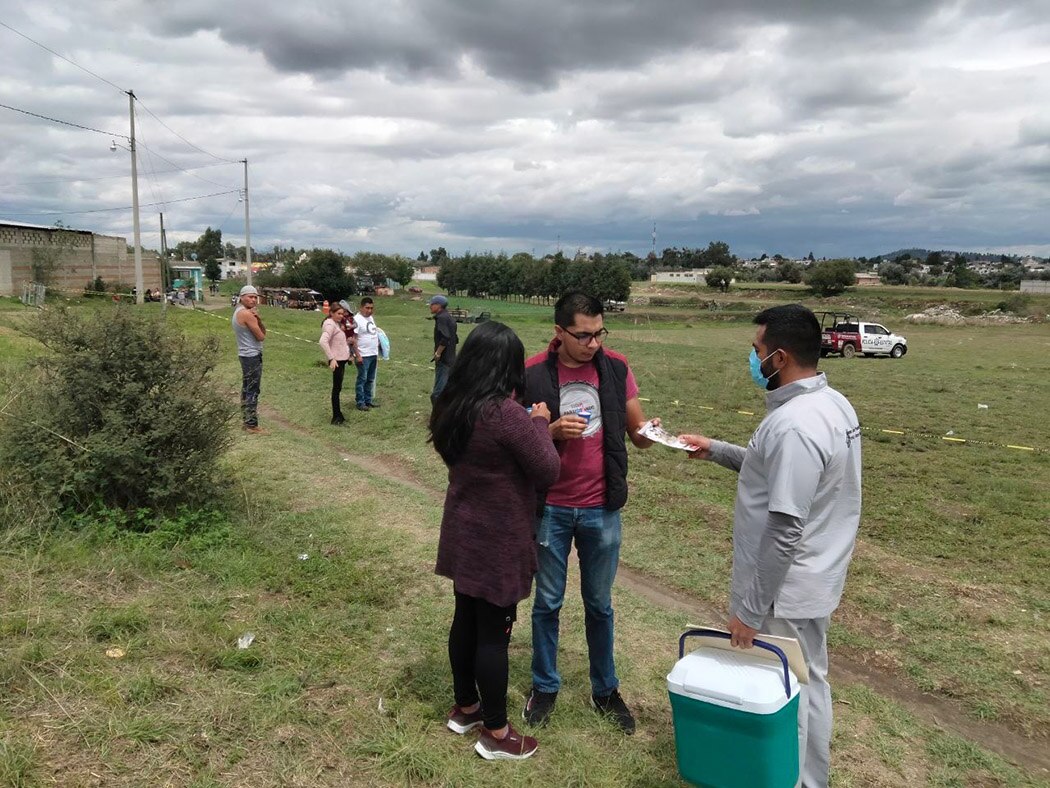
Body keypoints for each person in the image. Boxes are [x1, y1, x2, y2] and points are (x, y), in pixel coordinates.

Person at [679, 303, 862, 788]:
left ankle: (791, 779)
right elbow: (770, 471)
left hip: (784, 588)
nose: (752, 358)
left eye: (756, 350)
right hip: (815, 577)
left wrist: (750, 610)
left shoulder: (796, 426)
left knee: (787, 691)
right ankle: (808, 778)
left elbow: (784, 526)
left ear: (778, 358)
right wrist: (715, 449)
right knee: (811, 682)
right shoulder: (830, 405)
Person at [522, 291, 658, 735]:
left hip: (602, 508)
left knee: (599, 605)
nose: (593, 343)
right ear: (559, 332)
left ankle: (605, 689)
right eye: (583, 335)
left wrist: (655, 434)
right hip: (551, 508)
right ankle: (544, 686)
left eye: (600, 333)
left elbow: (637, 435)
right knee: (547, 602)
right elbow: (516, 438)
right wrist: (549, 429)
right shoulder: (531, 374)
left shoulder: (616, 368)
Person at [431, 321, 560, 761]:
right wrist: (541, 423)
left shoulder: (452, 402)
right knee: (494, 636)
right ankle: (498, 733)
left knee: (465, 618)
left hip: (463, 530)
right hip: (498, 540)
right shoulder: (505, 414)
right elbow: (547, 469)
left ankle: (466, 707)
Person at [231, 285, 267, 433]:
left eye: (255, 297)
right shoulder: (245, 314)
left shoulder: (238, 312)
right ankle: (251, 424)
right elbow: (262, 336)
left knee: (247, 388)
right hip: (251, 355)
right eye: (250, 297)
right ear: (242, 297)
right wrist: (255, 318)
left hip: (244, 354)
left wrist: (257, 318)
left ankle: (246, 420)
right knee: (252, 389)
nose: (253, 300)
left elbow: (262, 331)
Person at [319, 303, 352, 425]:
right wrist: (331, 358)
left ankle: (338, 415)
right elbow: (323, 341)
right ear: (331, 313)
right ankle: (336, 417)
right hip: (336, 361)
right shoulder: (330, 324)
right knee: (336, 388)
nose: (341, 316)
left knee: (338, 388)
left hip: (341, 359)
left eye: (342, 314)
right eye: (338, 313)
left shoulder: (337, 324)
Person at [429, 295, 458, 404]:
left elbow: (445, 338)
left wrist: (438, 353)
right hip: (451, 357)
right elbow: (455, 338)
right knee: (448, 387)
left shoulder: (441, 318)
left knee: (438, 393)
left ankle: (438, 416)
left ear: (438, 306)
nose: (430, 306)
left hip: (444, 359)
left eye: (432, 304)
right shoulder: (449, 317)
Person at [353, 297, 379, 411]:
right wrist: (357, 355)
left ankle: (368, 401)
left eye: (371, 308)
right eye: (367, 308)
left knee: (370, 379)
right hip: (363, 354)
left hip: (373, 353)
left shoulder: (370, 318)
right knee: (362, 379)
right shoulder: (356, 320)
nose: (369, 310)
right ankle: (360, 401)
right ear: (361, 307)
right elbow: (353, 339)